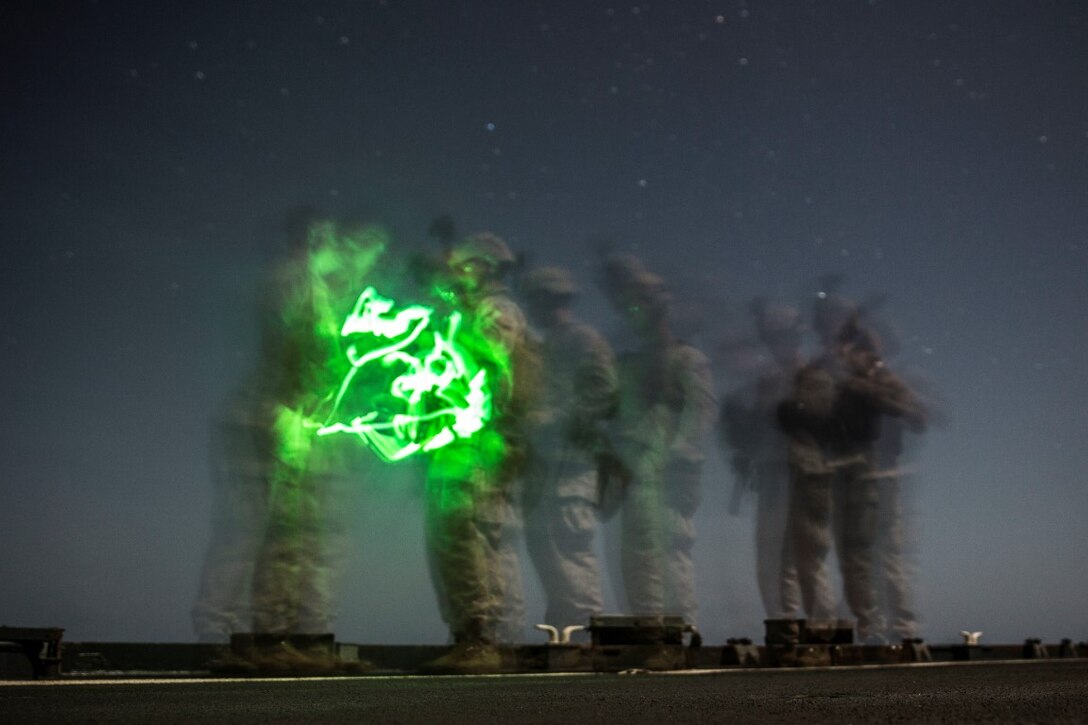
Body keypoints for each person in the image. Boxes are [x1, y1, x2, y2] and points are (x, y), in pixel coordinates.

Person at [778, 305, 925, 644]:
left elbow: (913, 412)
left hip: (866, 471)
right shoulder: (818, 372)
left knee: (861, 554)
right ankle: (842, 626)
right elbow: (801, 415)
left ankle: (876, 627)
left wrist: (863, 386)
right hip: (827, 470)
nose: (838, 345)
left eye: (845, 338)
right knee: (823, 551)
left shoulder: (871, 373)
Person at [421, 232, 533, 674]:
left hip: (474, 443)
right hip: (457, 440)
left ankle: (481, 640)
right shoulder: (475, 310)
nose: (457, 276)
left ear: (485, 267)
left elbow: (488, 359)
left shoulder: (497, 311)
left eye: (465, 267)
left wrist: (452, 315)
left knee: (465, 536)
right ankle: (476, 637)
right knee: (456, 539)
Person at [606, 267, 717, 625]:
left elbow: (701, 412)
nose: (635, 316)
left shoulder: (686, 359)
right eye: (630, 309)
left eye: (641, 306)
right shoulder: (631, 365)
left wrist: (676, 455)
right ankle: (650, 629)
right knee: (636, 554)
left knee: (667, 551)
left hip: (664, 470)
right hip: (635, 468)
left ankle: (676, 634)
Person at [519, 266, 618, 636]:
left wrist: (551, 419)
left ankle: (583, 640)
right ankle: (567, 636)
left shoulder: (583, 341)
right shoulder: (549, 345)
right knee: (551, 556)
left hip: (573, 468)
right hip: (546, 468)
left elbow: (603, 395)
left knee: (570, 554)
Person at [718, 300, 809, 620]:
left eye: (781, 337)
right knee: (776, 561)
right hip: (774, 474)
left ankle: (807, 628)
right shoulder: (770, 379)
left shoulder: (806, 377)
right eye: (772, 339)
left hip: (797, 474)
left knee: (793, 560)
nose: (777, 345)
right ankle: (786, 625)